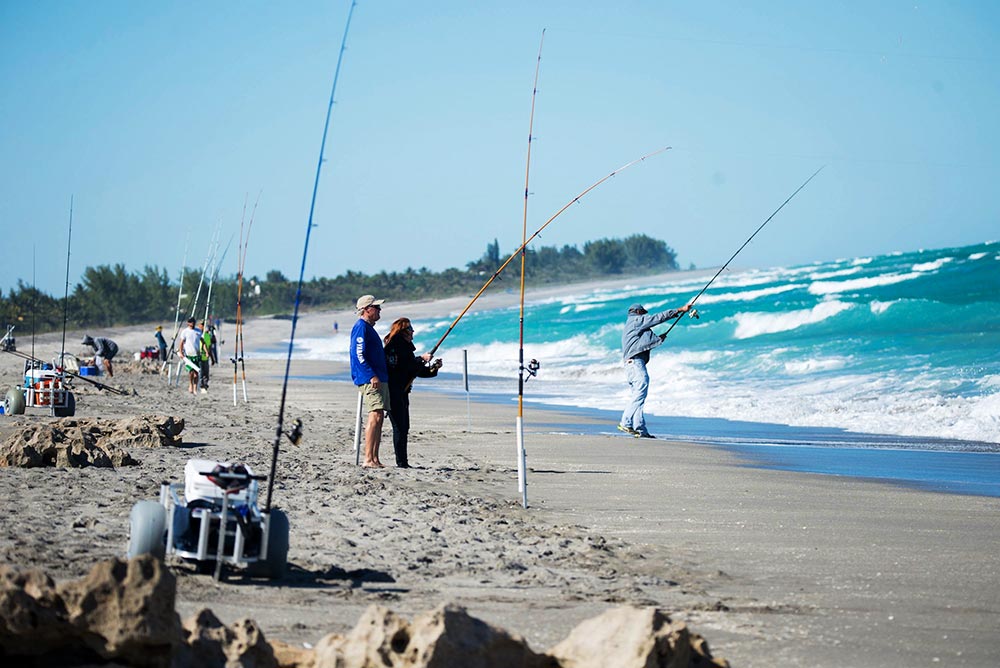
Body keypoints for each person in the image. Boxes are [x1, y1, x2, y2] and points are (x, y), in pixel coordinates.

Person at [618, 302, 691, 439]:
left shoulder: (630, 325)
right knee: (639, 394)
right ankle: (625, 422)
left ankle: (640, 429)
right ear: (638, 312)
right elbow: (658, 318)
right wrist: (680, 309)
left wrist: (658, 339)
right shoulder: (636, 321)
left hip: (631, 364)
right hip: (635, 363)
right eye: (644, 313)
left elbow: (640, 343)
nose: (646, 315)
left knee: (638, 397)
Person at [383, 318, 442, 468]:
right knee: (400, 427)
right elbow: (401, 368)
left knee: (404, 427)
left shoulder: (405, 347)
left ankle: (403, 462)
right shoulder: (394, 347)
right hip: (393, 392)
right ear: (403, 331)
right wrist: (421, 359)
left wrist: (434, 368)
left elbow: (415, 371)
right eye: (410, 329)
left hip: (402, 392)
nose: (412, 331)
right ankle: (401, 463)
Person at [350, 295, 389, 468]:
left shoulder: (369, 328)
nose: (379, 310)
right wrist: (371, 375)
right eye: (376, 307)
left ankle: (374, 457)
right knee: (374, 414)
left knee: (379, 416)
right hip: (370, 379)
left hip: (379, 377)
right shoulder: (361, 327)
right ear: (367, 309)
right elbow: (358, 354)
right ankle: (368, 458)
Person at [178, 317, 202, 395]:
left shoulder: (198, 331)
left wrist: (206, 351)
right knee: (191, 371)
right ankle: (190, 384)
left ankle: (195, 387)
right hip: (189, 355)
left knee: (196, 372)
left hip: (197, 354)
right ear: (188, 323)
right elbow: (181, 343)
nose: (192, 323)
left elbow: (203, 341)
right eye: (191, 322)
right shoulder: (185, 332)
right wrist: (181, 352)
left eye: (193, 322)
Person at [198, 321, 212, 392]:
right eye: (202, 325)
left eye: (204, 325)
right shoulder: (198, 334)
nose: (203, 326)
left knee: (206, 373)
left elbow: (209, 347)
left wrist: (212, 358)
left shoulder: (207, 335)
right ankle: (201, 386)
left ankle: (205, 385)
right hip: (199, 356)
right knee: (201, 372)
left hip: (206, 357)